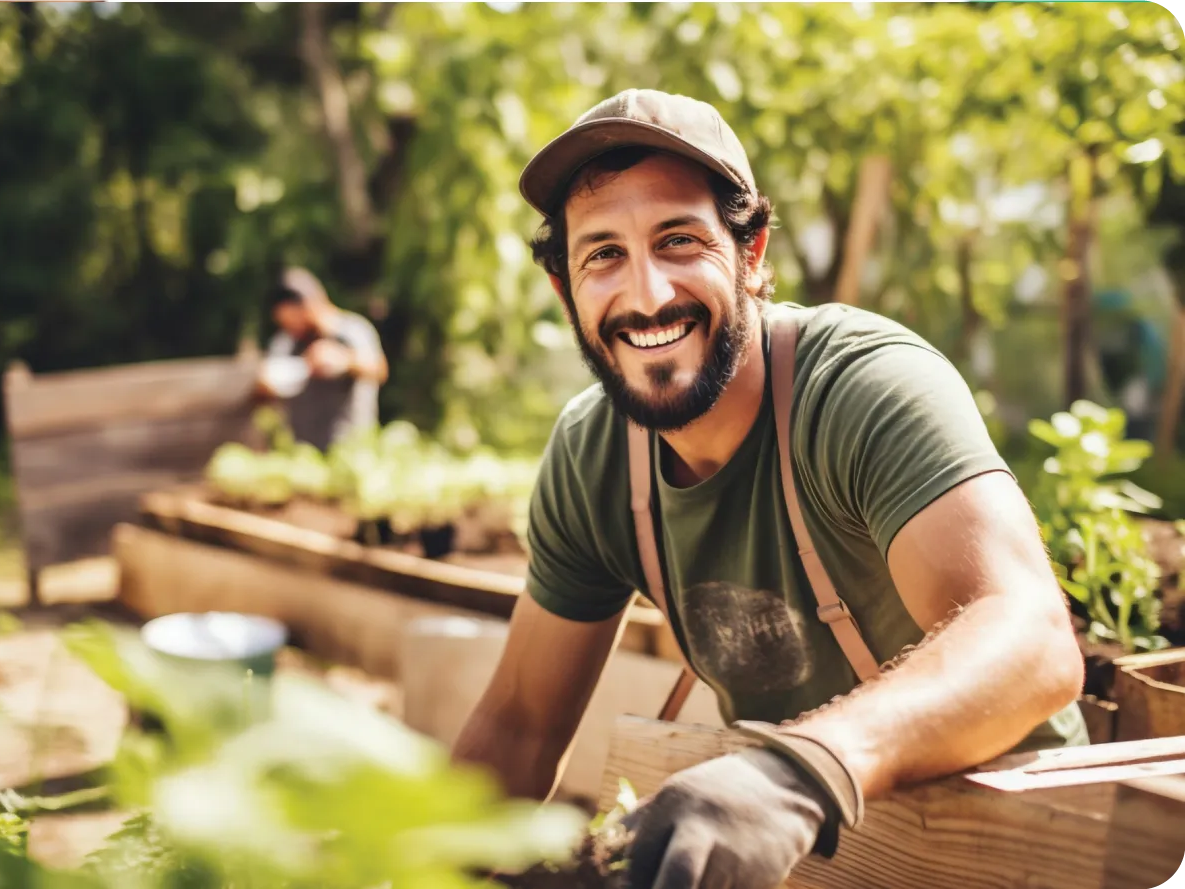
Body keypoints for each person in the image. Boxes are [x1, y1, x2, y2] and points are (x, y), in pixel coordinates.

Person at [450, 89, 1088, 889]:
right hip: (814, 856)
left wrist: (797, 770)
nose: (646, 295)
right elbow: (519, 724)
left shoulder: (862, 389)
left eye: (679, 240)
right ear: (564, 290)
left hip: (1015, 848)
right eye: (603, 254)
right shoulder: (594, 459)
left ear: (751, 255)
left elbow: (1030, 638)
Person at [256, 266, 388, 450]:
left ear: (312, 305)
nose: (293, 329)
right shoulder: (287, 342)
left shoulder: (351, 331)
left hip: (351, 448)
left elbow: (379, 369)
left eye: (296, 320)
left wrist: (345, 360)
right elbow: (269, 381)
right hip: (304, 451)